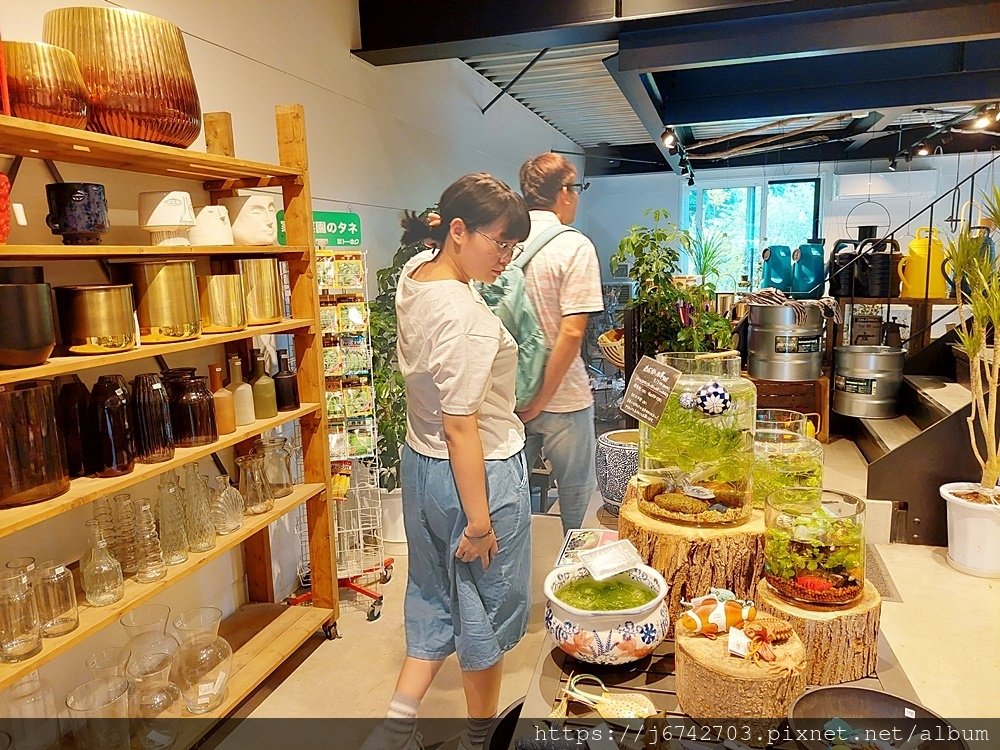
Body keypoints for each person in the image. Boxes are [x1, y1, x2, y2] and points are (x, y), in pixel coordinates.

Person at [377, 173, 532, 750]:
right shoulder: (463, 319)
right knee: (482, 612)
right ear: (459, 231)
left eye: (514, 247)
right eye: (500, 243)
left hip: (423, 468)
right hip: (477, 473)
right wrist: (480, 522)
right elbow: (461, 425)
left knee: (433, 593)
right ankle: (478, 739)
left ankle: (395, 725)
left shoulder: (415, 272)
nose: (506, 258)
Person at [516, 153, 605, 533]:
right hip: (564, 398)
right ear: (564, 193)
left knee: (508, 502)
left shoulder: (505, 241)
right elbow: (571, 333)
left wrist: (528, 399)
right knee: (574, 502)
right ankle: (569, 580)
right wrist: (542, 398)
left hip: (511, 395)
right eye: (577, 189)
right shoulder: (574, 246)